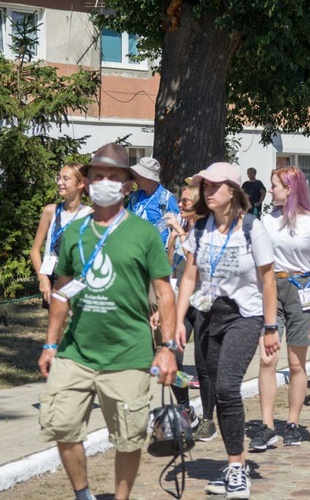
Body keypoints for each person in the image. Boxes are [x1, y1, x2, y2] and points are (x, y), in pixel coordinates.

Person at [37, 143, 178, 500]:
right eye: (98, 175)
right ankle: (82, 494)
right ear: (87, 182)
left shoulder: (144, 234)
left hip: (128, 355)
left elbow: (164, 293)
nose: (105, 182)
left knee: (129, 438)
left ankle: (121, 497)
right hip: (77, 352)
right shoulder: (75, 232)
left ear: (127, 185)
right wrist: (51, 343)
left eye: (114, 176)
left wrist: (167, 348)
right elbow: (61, 292)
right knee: (62, 425)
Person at [177, 162, 278, 498]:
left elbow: (267, 279)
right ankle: (234, 462)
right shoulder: (201, 228)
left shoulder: (252, 228)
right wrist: (178, 320)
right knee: (218, 393)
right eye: (204, 186)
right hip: (208, 315)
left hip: (244, 316)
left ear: (233, 192)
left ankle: (237, 469)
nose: (207, 191)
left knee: (227, 386)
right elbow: (189, 276)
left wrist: (270, 327)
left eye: (213, 186)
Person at [254, 166, 310, 449]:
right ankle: (266, 424)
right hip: (272, 291)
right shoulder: (266, 220)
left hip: (301, 293)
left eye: (274, 185)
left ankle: (293, 422)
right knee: (267, 359)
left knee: (296, 363)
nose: (269, 189)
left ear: (289, 189)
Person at [161, 183, 218, 441]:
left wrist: (181, 233)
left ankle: (208, 418)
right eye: (180, 201)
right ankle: (185, 409)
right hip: (182, 303)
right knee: (173, 359)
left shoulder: (208, 231)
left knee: (205, 366)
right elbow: (171, 266)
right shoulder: (183, 231)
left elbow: (199, 263)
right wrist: (172, 243)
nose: (180, 205)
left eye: (185, 201)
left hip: (205, 303)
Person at [31, 162, 93, 310]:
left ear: (81, 184)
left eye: (65, 179)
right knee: (56, 325)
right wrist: (43, 278)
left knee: (71, 325)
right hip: (51, 275)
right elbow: (35, 250)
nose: (59, 183)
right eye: (59, 178)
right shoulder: (50, 211)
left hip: (75, 277)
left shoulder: (89, 215)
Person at [127, 157, 179, 246]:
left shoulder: (167, 199)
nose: (135, 180)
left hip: (157, 253)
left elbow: (178, 226)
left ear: (148, 178)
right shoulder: (135, 196)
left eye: (138, 176)